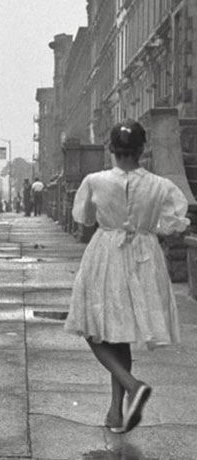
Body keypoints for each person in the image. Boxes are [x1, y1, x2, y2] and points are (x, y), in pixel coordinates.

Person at [64, 119, 189, 434]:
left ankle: (132, 386)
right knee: (120, 333)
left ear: (111, 150)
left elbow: (85, 220)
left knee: (93, 329)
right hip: (144, 258)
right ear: (142, 149)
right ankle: (115, 412)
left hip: (107, 254)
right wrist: (149, 229)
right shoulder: (161, 185)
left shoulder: (95, 180)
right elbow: (175, 222)